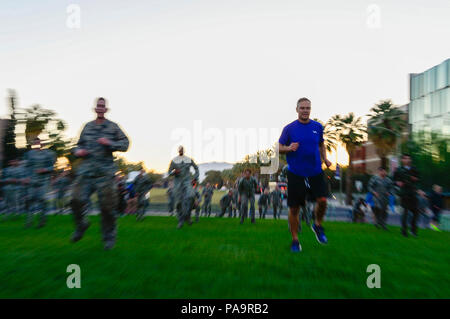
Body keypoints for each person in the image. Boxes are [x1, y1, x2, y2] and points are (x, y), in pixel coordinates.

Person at [70, 97, 130, 250]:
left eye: (103, 106)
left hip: (105, 174)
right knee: (75, 200)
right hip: (86, 172)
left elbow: (125, 144)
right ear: (95, 109)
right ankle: (82, 224)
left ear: (106, 109)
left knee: (108, 208)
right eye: (98, 106)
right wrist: (78, 151)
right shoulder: (87, 127)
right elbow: (77, 146)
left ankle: (108, 238)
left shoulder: (112, 127)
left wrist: (110, 143)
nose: (101, 108)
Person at [278, 97, 332, 252]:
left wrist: (325, 158)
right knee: (294, 209)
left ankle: (318, 225)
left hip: (315, 172)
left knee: (322, 200)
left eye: (308, 108)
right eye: (302, 108)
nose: (305, 110)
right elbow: (278, 147)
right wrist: (289, 148)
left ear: (310, 109)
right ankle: (295, 241)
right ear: (297, 110)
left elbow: (321, 144)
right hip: (296, 174)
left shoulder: (317, 127)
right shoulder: (289, 129)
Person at [24, 137, 56, 228]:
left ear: (41, 143)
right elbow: (25, 167)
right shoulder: (28, 154)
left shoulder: (47, 154)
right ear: (32, 144)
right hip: (31, 180)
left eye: (38, 142)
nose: (37, 144)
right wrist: (25, 178)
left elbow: (52, 167)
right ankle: (29, 222)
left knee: (42, 200)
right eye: (35, 143)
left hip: (43, 181)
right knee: (30, 201)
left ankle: (42, 222)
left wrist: (44, 169)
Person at [168, 145, 199, 229]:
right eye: (180, 150)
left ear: (184, 151)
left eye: (182, 150)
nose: (181, 151)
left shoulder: (188, 159)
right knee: (179, 203)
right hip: (177, 183)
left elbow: (196, 168)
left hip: (187, 182)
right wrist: (174, 172)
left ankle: (188, 216)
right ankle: (180, 221)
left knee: (191, 196)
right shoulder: (174, 161)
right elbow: (169, 172)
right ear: (178, 151)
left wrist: (195, 178)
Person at [393, 154, 420, 238]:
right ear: (402, 160)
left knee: (415, 212)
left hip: (413, 193)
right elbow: (393, 180)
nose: (408, 160)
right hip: (404, 193)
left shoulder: (414, 169)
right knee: (405, 212)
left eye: (409, 159)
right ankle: (404, 231)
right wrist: (397, 183)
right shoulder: (399, 170)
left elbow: (419, 179)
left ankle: (413, 230)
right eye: (406, 159)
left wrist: (415, 179)